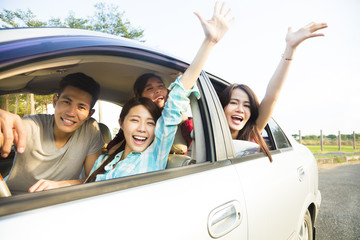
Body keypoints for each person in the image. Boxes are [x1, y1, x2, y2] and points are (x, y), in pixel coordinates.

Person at [85, 1, 234, 182]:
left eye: (150, 123)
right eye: (134, 120)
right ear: (121, 123)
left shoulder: (155, 153)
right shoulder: (103, 160)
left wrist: (209, 42)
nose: (142, 128)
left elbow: (177, 97)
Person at [219, 22, 328, 161]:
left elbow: (272, 96)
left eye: (246, 105)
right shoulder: (205, 135)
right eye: (234, 102)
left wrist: (290, 49)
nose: (240, 109)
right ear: (221, 106)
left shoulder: (253, 132)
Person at [0, 72, 105, 193]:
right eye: (66, 102)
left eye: (81, 107)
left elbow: (93, 178)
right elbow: (5, 135)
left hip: (59, 202)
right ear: (55, 101)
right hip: (14, 201)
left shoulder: (90, 129)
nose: (71, 113)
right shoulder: (33, 125)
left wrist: (64, 185)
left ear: (89, 114)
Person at [107, 73, 193, 155]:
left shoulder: (177, 117)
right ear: (140, 97)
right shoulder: (133, 127)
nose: (158, 90)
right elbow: (111, 149)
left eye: (161, 86)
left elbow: (194, 138)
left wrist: (182, 119)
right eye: (150, 89)